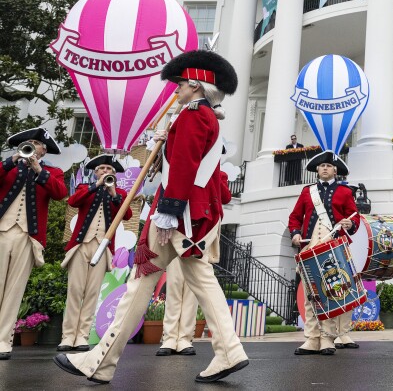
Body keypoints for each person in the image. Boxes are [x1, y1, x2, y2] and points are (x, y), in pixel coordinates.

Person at [54, 49, 249, 383]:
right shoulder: (203, 117)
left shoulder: (190, 116)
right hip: (196, 214)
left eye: (179, 85)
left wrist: (168, 212)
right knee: (199, 282)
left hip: (182, 215)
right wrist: (163, 143)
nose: (175, 90)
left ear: (196, 85)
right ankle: (229, 351)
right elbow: (183, 163)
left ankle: (100, 362)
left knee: (140, 283)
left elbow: (186, 168)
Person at [0, 128, 67, 360]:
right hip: (2, 231)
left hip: (28, 237)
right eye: (28, 143)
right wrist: (13, 160)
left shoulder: (52, 172)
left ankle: (3, 342)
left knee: (14, 291)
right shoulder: (8, 166)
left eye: (36, 144)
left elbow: (60, 193)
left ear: (43, 150)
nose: (31, 146)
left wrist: (40, 171)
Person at [288, 150, 360, 355]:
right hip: (310, 248)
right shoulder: (307, 192)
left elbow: (355, 218)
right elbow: (295, 217)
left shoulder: (345, 192)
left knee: (331, 293)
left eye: (329, 166)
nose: (325, 168)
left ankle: (328, 338)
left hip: (334, 249)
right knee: (311, 295)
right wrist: (294, 233)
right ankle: (312, 338)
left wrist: (350, 223)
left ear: (335, 170)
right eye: (322, 166)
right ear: (317, 170)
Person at [59, 155, 132, 352]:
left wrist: (113, 192)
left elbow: (126, 215)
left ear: (114, 173)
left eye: (109, 169)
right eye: (101, 169)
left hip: (102, 248)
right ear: (95, 172)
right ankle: (67, 336)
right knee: (75, 290)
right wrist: (95, 186)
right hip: (81, 245)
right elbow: (73, 201)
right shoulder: (85, 188)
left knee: (92, 292)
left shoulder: (120, 193)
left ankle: (82, 336)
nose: (105, 171)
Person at [157, 169, 233, 357]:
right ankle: (169, 337)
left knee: (192, 292)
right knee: (174, 287)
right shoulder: (180, 167)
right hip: (179, 234)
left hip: (201, 236)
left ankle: (184, 338)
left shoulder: (218, 173)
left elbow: (225, 197)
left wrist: (214, 175)